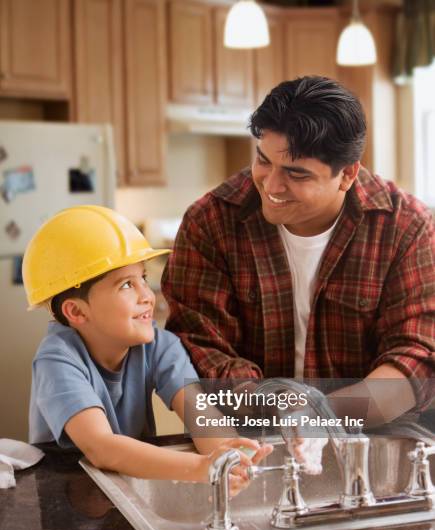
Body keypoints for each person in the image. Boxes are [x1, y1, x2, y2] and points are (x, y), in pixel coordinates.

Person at [162, 76, 435, 434]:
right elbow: (201, 346)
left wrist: (316, 418)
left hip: (372, 434)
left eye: (296, 173)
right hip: (246, 435)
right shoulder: (210, 222)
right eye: (263, 161)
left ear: (347, 175)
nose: (271, 185)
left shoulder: (407, 228)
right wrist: (282, 409)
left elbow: (415, 359)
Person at [23, 205, 272, 494]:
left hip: (126, 487)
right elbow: (101, 448)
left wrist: (230, 459)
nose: (147, 295)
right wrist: (202, 468)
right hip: (70, 500)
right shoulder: (56, 359)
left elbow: (200, 416)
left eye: (143, 278)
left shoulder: (158, 345)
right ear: (76, 312)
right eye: (126, 285)